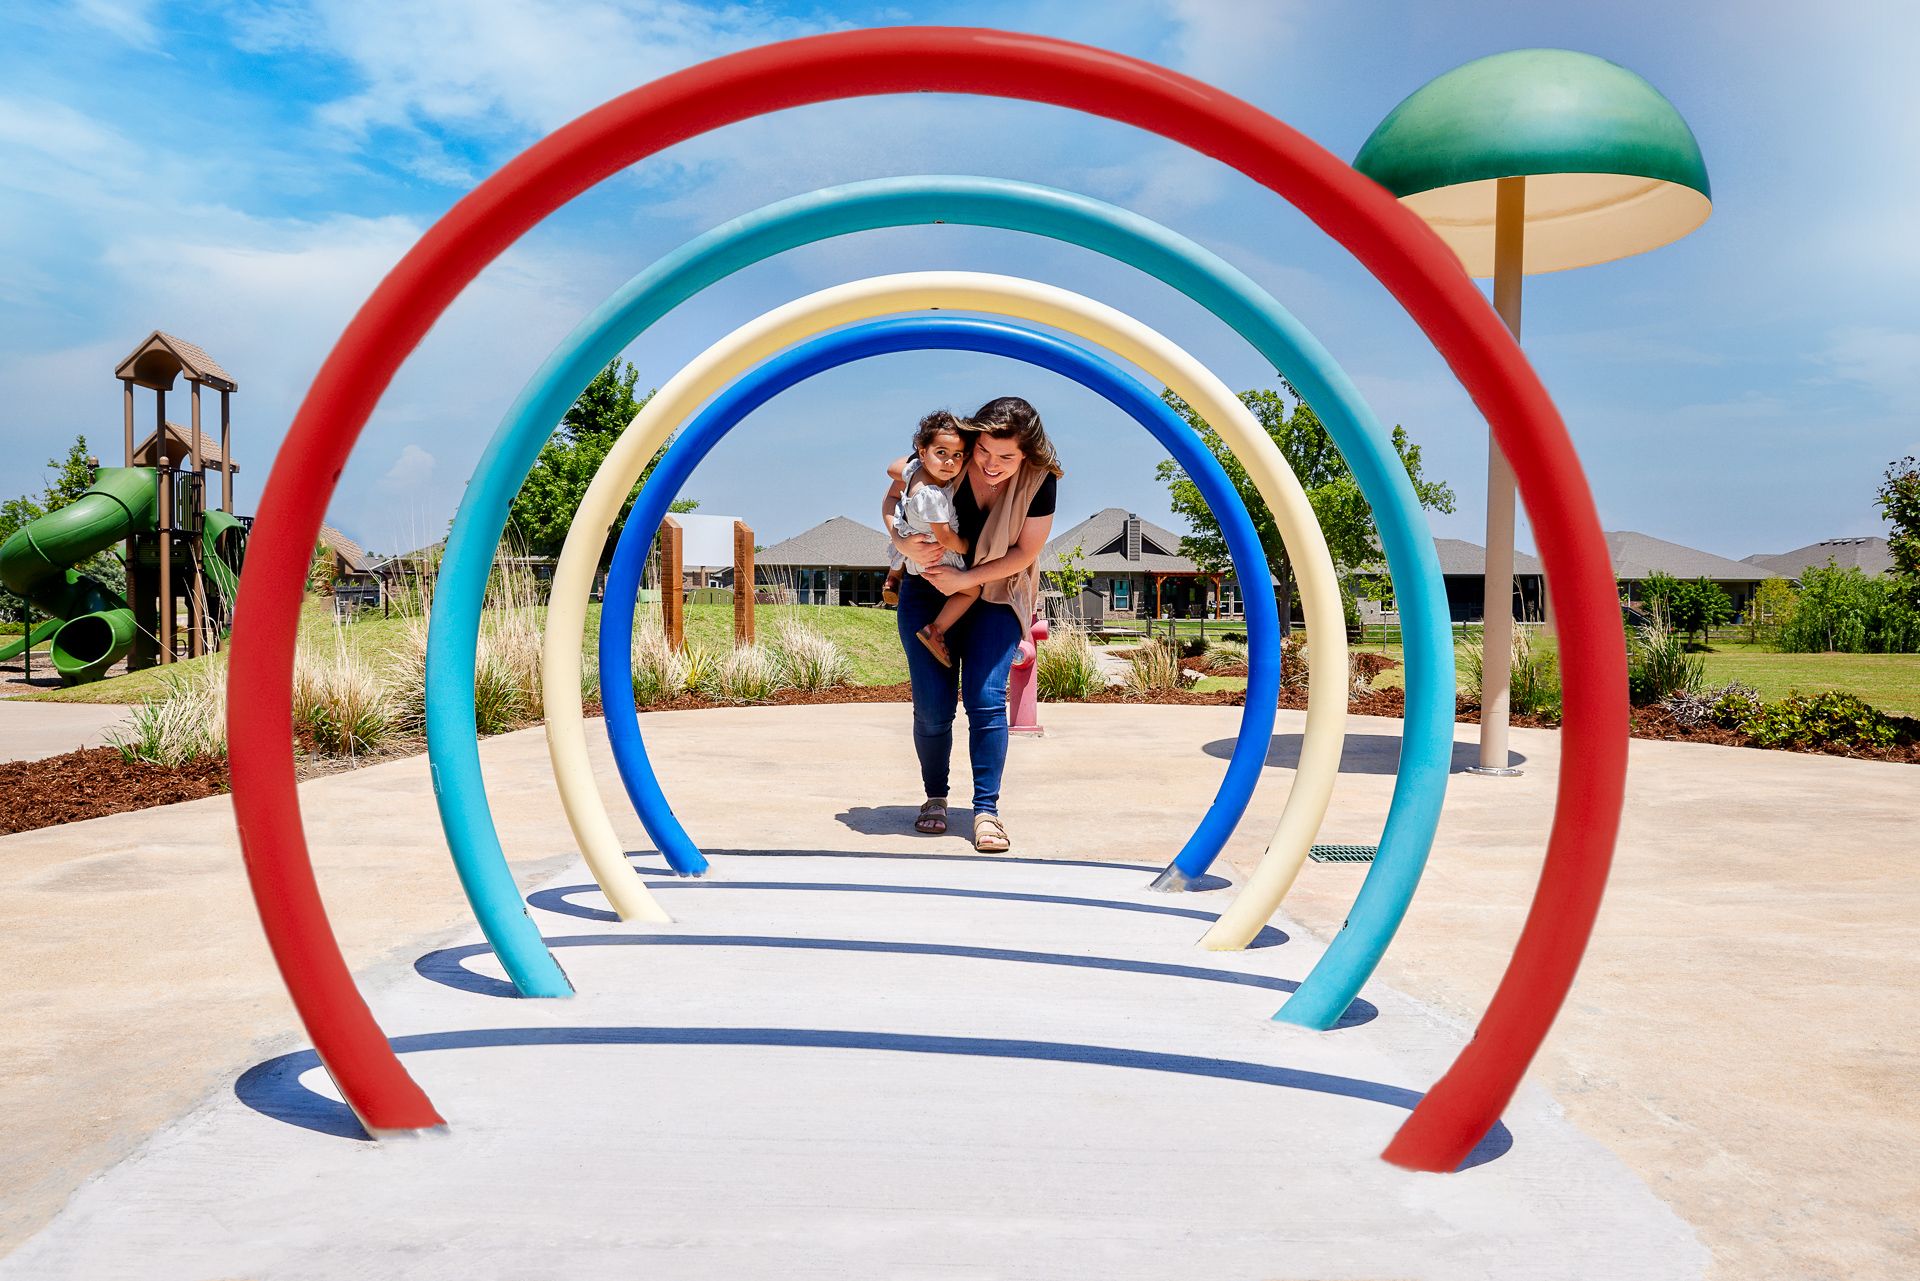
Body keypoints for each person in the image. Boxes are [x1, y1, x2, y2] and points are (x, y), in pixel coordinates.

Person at [883, 395, 1060, 853]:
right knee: (933, 708)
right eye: (983, 451)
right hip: (930, 590)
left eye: (1007, 457)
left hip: (997, 591)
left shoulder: (1040, 481)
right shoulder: (948, 456)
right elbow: (893, 487)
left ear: (1027, 455)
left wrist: (969, 578)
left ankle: (986, 811)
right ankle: (935, 798)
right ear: (973, 439)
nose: (991, 464)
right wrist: (900, 543)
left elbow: (1025, 552)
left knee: (985, 699)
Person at [880, 411, 978, 665]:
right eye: (941, 453)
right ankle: (936, 630)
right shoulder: (932, 495)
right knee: (971, 591)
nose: (949, 462)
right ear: (923, 453)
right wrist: (965, 545)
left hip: (911, 547)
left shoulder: (913, 471)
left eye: (957, 455)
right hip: (936, 559)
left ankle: (893, 578)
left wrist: (926, 456)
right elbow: (944, 536)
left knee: (901, 537)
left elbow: (892, 468)